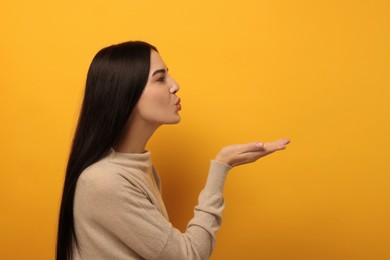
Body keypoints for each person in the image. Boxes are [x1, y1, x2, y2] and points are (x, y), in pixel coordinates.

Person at [56, 41, 290, 260]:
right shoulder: (105, 181)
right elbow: (188, 255)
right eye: (160, 79)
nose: (175, 85)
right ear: (127, 93)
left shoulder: (140, 170)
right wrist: (221, 167)